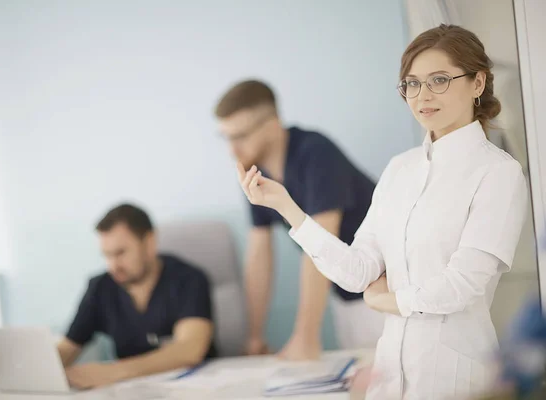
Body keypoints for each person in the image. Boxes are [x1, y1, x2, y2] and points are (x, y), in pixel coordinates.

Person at [236, 24, 528, 400]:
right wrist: (286, 206)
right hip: (390, 377)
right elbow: (357, 272)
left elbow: (463, 286)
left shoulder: (498, 172)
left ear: (477, 83)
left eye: (439, 80)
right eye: (412, 83)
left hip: (455, 377)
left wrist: (388, 301)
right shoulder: (399, 169)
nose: (423, 95)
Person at [215, 80, 384, 360]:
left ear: (272, 126)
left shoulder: (316, 153)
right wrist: (254, 337)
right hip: (346, 294)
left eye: (240, 136)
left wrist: (305, 336)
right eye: (226, 137)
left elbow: (319, 242)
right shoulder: (252, 168)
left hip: (385, 290)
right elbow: (259, 256)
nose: (232, 149)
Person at [57, 204, 215, 389]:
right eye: (107, 255)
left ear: (149, 242)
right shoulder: (100, 288)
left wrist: (113, 371)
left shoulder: (189, 279)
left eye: (120, 253)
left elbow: (189, 350)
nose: (113, 266)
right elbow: (67, 348)